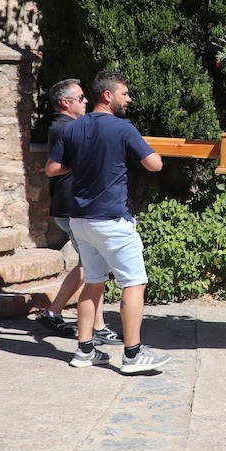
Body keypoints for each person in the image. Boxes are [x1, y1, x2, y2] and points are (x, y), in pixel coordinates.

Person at [46, 72, 169, 373]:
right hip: (111, 220)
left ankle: (85, 350)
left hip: (80, 220)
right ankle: (132, 354)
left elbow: (51, 169)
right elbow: (155, 164)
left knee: (93, 281)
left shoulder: (73, 128)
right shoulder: (123, 128)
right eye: (125, 94)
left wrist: (84, 161)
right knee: (133, 283)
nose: (129, 99)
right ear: (107, 95)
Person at [36, 78, 121, 346]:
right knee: (94, 266)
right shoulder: (66, 129)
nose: (86, 102)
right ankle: (95, 325)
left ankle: (55, 312)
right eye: (81, 98)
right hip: (72, 206)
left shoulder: (68, 127)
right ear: (66, 103)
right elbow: (55, 167)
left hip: (72, 206)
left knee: (91, 265)